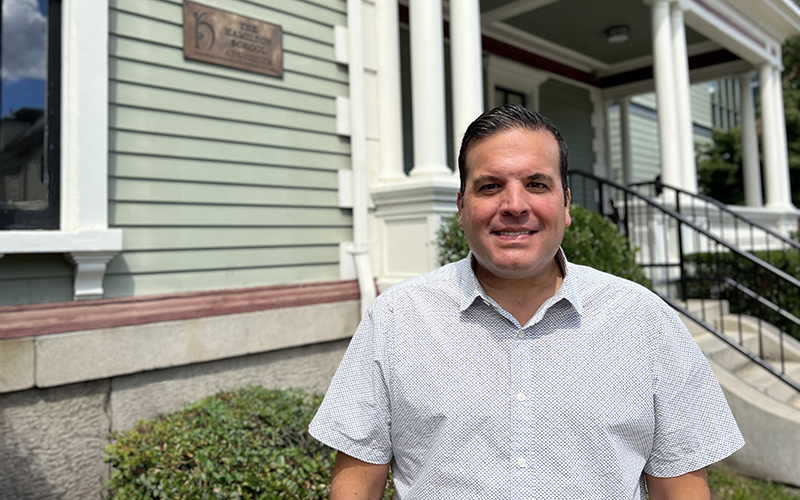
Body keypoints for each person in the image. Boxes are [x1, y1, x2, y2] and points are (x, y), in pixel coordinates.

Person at [309, 104, 744, 499]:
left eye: (537, 184)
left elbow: (682, 486)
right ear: (462, 207)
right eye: (490, 186)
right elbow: (355, 485)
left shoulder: (645, 321)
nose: (515, 205)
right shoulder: (395, 320)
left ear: (566, 204)